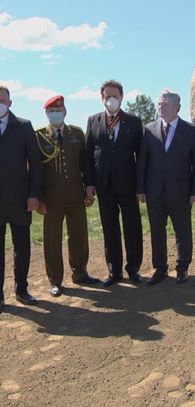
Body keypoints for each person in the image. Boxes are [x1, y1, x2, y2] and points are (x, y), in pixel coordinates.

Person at [136, 90, 195, 285]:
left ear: (177, 108)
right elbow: (142, 161)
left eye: (166, 104)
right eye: (159, 104)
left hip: (181, 192)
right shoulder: (149, 129)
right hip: (154, 191)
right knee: (157, 231)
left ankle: (182, 267)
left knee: (183, 231)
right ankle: (160, 269)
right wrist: (140, 189)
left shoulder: (190, 131)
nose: (161, 107)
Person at [35, 95, 100, 297]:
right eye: (52, 111)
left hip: (75, 195)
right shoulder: (38, 136)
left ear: (65, 111)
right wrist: (38, 198)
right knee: (52, 240)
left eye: (59, 110)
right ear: (46, 114)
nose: (56, 114)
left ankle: (80, 273)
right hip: (51, 199)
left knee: (79, 236)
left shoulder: (77, 134)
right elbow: (34, 170)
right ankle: (55, 280)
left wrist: (89, 186)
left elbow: (85, 164)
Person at [85, 80, 143, 286]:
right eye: (107, 96)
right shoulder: (93, 121)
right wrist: (89, 184)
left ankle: (133, 269)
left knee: (132, 227)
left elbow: (141, 156)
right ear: (102, 98)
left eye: (114, 96)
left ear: (121, 97)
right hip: (104, 186)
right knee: (110, 229)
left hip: (128, 185)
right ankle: (114, 271)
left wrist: (140, 186)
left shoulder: (134, 122)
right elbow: (88, 155)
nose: (111, 100)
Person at [0, 85, 43, 310]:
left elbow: (35, 164)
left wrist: (34, 195)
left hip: (20, 199)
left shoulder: (24, 127)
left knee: (22, 248)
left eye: (2, 100)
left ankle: (22, 289)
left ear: (10, 103)